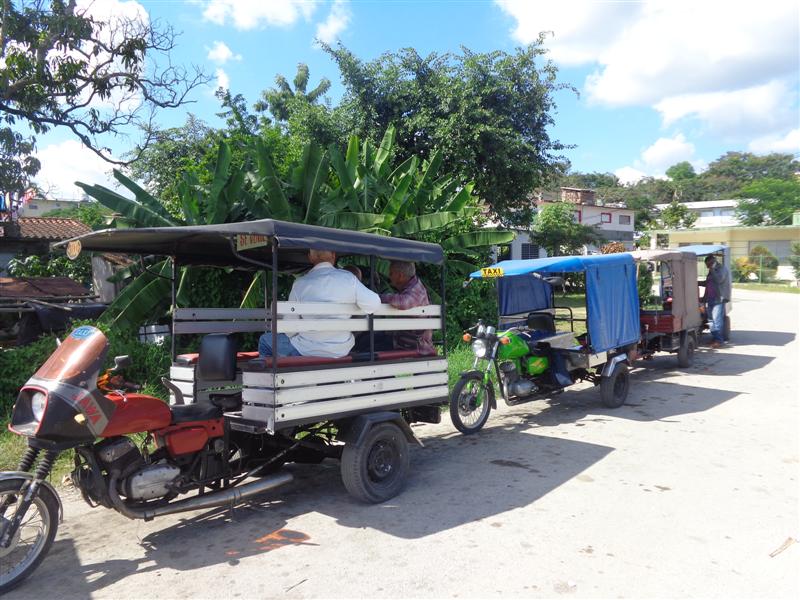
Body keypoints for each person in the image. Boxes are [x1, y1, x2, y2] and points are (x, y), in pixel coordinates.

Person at [258, 249, 381, 358]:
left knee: (265, 340)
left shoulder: (300, 283)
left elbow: (290, 330)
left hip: (306, 350)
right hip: (340, 349)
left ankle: (281, 380)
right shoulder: (349, 279)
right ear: (333, 255)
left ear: (310, 258)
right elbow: (374, 304)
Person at [379, 260, 434, 355]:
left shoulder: (416, 289)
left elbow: (403, 302)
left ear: (400, 276)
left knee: (368, 349)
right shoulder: (412, 286)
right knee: (368, 340)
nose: (389, 276)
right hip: (404, 342)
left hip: (415, 347)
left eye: (391, 273)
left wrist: (377, 297)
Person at [702, 254, 731, 348]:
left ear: (712, 262)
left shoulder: (721, 269)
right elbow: (708, 283)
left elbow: (719, 280)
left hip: (718, 299)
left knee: (716, 320)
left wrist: (712, 270)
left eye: (707, 264)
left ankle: (719, 341)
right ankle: (715, 338)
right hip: (710, 298)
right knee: (710, 320)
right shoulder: (711, 271)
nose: (707, 267)